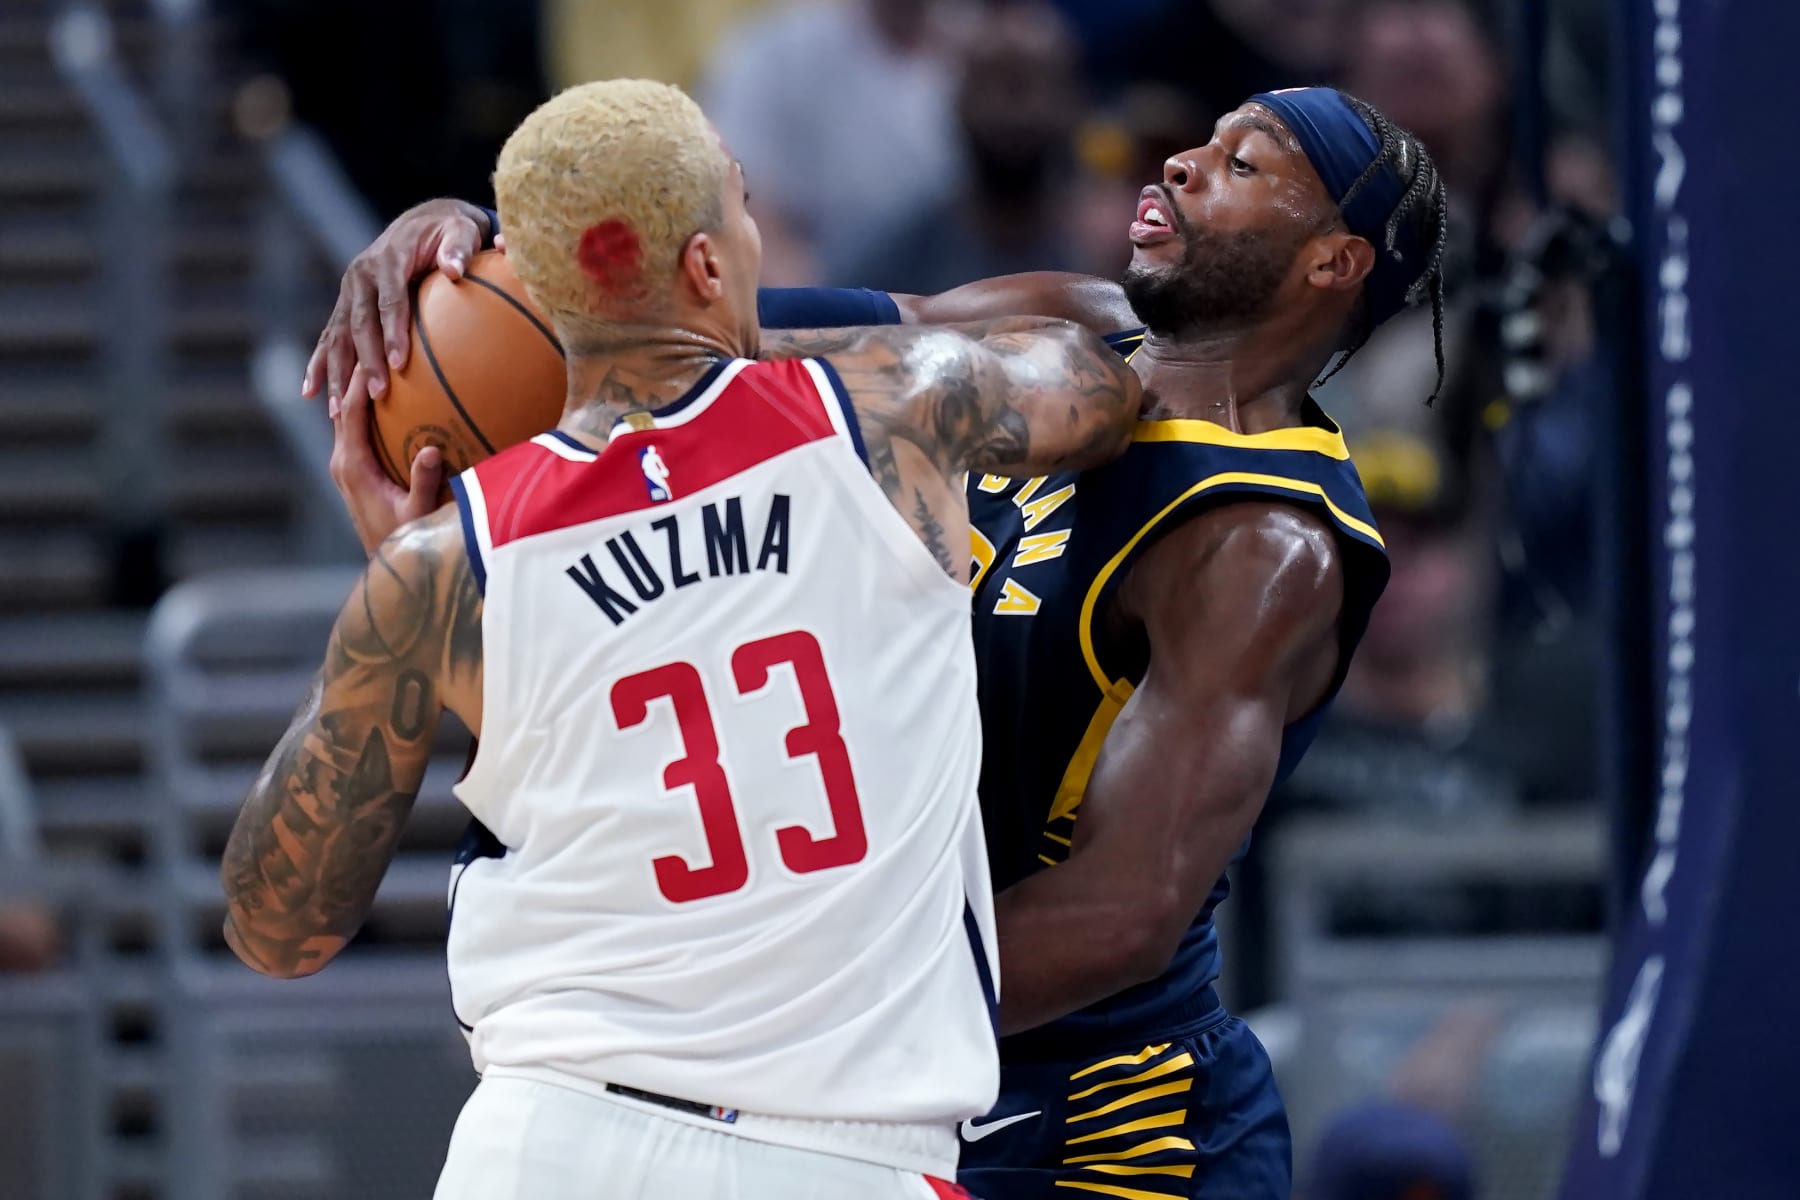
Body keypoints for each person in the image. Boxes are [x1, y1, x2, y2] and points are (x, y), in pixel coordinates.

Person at [307, 85, 1448, 1198]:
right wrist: (490, 253)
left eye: (1243, 166)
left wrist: (783, 1011)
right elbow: (728, 336)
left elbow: (1126, 912)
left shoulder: (1262, 541)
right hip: (879, 1084)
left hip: (1100, 1122)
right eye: (1202, 142)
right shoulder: (1071, 325)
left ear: (1332, 262)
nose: (1181, 165)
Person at [225, 78, 1142, 1199]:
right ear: (707, 265)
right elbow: (1103, 356)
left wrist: (403, 616)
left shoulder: (445, 568)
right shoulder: (896, 408)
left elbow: (278, 929)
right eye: (742, 211)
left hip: (547, 1143)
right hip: (837, 1153)